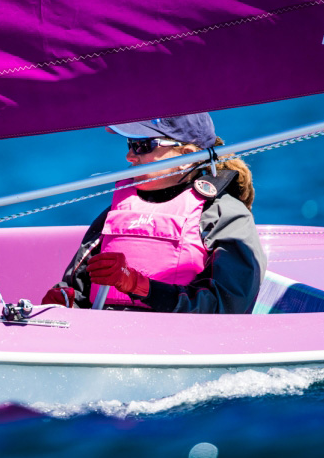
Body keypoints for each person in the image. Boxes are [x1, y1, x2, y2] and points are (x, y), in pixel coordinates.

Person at [41, 113, 266, 313]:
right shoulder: (117, 211)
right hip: (109, 338)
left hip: (181, 342)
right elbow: (79, 288)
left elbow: (227, 305)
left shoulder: (224, 215)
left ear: (186, 156)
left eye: (143, 145)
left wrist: (139, 286)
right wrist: (67, 301)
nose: (130, 156)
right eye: (130, 144)